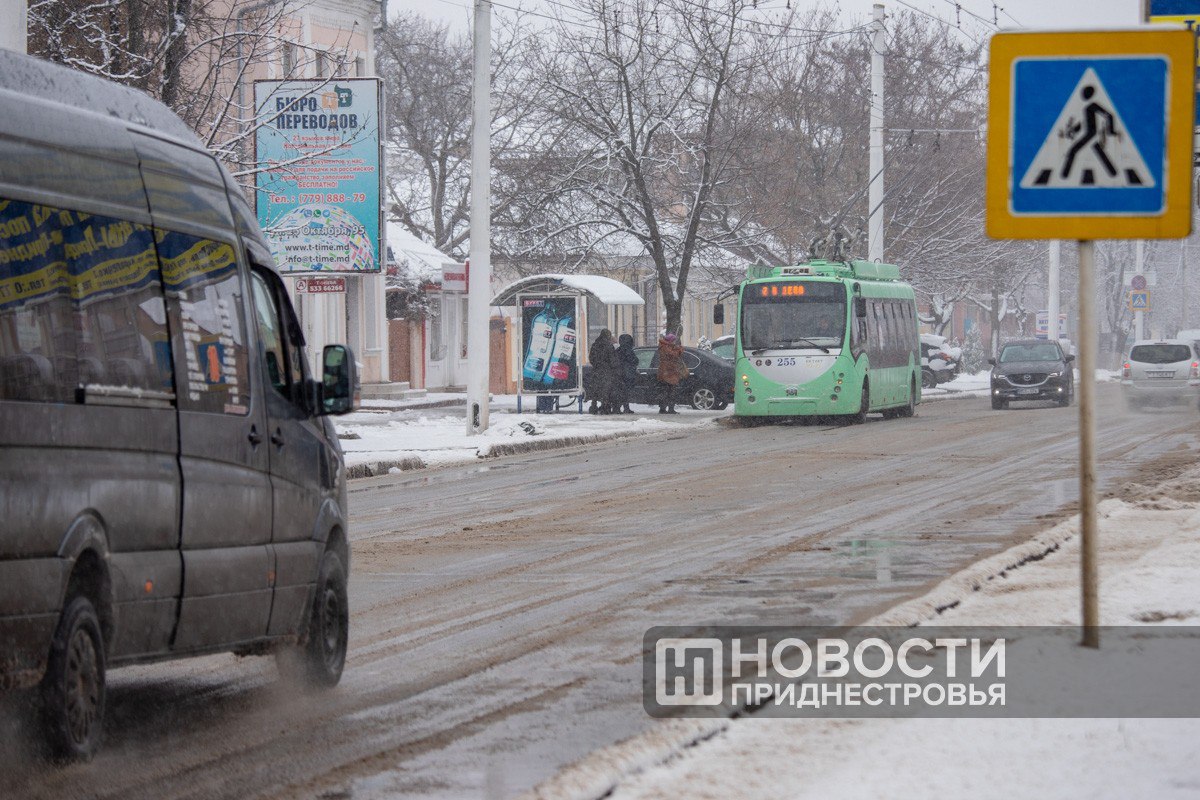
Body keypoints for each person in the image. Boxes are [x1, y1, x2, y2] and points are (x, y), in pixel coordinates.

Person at [588, 329, 618, 414]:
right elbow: (613, 360)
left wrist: (596, 364)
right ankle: (605, 407)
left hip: (596, 370)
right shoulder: (609, 346)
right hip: (606, 371)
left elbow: (591, 358)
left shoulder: (595, 345)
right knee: (606, 390)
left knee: (596, 389)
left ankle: (594, 405)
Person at [656, 332, 685, 414]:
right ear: (670, 340)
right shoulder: (665, 347)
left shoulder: (665, 346)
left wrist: (676, 348)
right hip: (668, 372)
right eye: (673, 340)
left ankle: (664, 408)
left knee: (666, 391)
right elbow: (673, 355)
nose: (674, 342)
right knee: (670, 391)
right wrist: (679, 349)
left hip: (667, 371)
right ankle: (667, 408)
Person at [615, 333, 638, 413]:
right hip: (627, 374)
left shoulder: (618, 350)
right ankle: (624, 407)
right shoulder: (629, 350)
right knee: (626, 392)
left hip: (619, 374)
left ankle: (618, 407)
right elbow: (634, 360)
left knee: (620, 391)